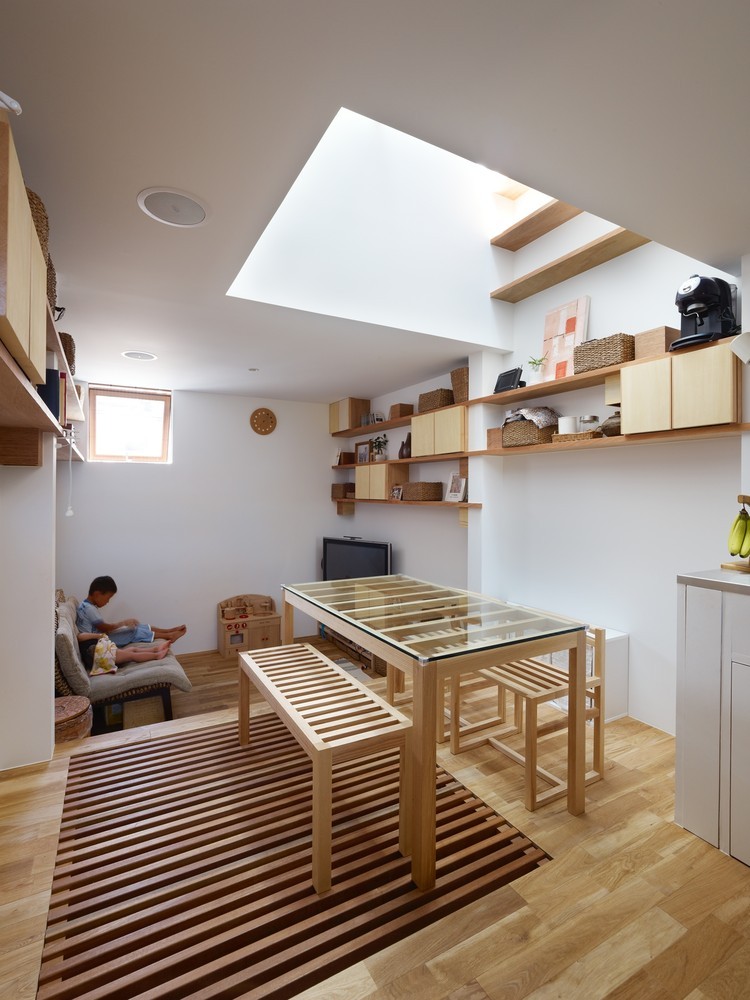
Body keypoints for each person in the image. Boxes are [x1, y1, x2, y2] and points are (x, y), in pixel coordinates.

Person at [76, 575, 187, 648]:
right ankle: (169, 636)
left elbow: (103, 628)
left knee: (137, 626)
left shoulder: (85, 605)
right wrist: (123, 623)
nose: (108, 602)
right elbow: (105, 628)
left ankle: (168, 631)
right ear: (97, 594)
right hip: (99, 642)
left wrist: (123, 625)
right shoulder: (90, 608)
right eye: (108, 598)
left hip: (99, 638)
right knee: (132, 631)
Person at [77, 631, 172, 675]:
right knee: (131, 655)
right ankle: (156, 655)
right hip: (100, 655)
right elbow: (80, 636)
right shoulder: (82, 638)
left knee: (133, 649)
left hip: (101, 652)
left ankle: (155, 649)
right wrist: (99, 635)